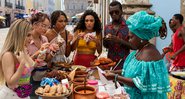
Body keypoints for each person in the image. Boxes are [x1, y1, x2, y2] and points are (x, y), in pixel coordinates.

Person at [105, 11, 171, 99]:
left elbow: (141, 82)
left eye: (131, 37)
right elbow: (129, 71)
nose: (128, 40)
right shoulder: (139, 50)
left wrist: (116, 77)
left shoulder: (149, 53)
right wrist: (113, 72)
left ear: (141, 38)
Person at [0, 19, 35, 99]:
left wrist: (40, 55)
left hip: (23, 95)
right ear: (19, 35)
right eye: (28, 35)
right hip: (11, 96)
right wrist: (22, 64)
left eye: (31, 35)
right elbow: (11, 83)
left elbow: (31, 67)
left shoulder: (23, 50)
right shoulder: (8, 55)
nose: (31, 38)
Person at [103, 1, 133, 70]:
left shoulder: (129, 26)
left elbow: (134, 46)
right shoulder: (107, 27)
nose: (114, 14)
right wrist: (105, 41)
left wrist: (120, 41)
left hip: (125, 65)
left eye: (116, 12)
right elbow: (106, 46)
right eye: (111, 13)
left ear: (121, 12)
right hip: (110, 64)